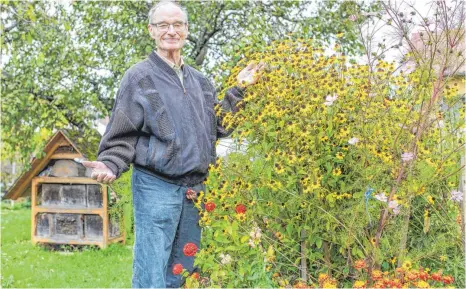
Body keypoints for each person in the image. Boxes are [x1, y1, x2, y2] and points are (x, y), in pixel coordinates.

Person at [82, 1, 263, 288]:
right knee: (152, 272)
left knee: (184, 271)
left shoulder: (201, 81)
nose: (171, 30)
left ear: (186, 30)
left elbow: (218, 127)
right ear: (151, 31)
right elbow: (122, 133)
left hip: (194, 189)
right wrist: (111, 163)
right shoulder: (139, 77)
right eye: (163, 25)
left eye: (177, 24)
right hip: (156, 186)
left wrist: (239, 90)